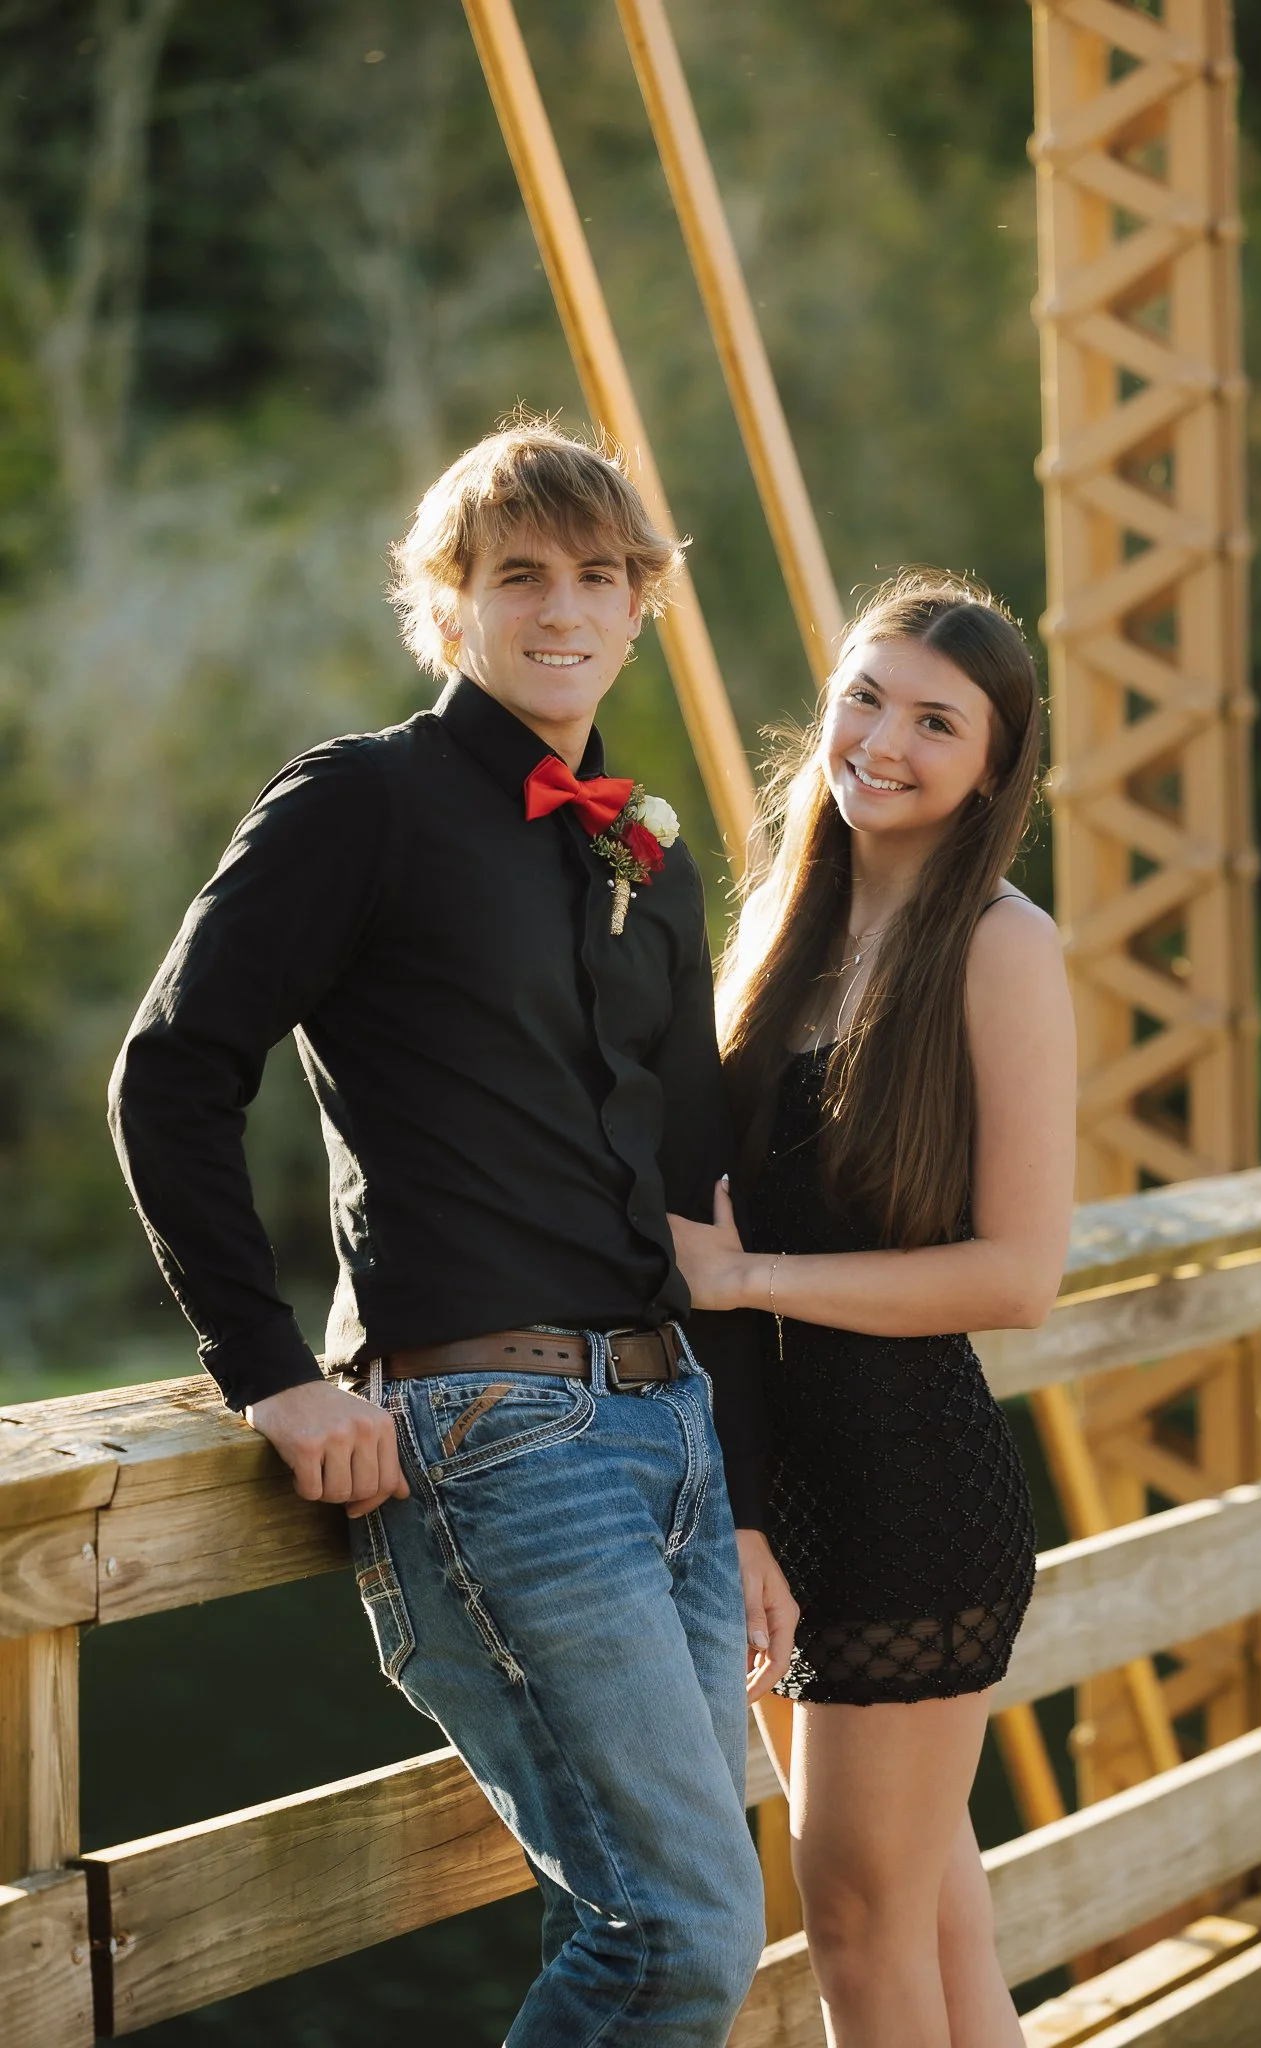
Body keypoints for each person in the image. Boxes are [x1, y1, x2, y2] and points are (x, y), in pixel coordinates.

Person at [108, 419, 798, 2046]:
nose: (563, 608)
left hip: (672, 1427)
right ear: (447, 606)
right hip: (498, 1434)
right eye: (518, 575)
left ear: (640, 606)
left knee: (674, 1919)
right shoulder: (362, 802)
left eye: (600, 576)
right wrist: (271, 1372)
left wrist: (753, 1502)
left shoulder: (646, 854)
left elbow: (697, 1194)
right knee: (682, 1934)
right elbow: (173, 1073)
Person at [667, 571, 1076, 2048]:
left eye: (935, 721)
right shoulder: (785, 930)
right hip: (774, 1489)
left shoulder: (1001, 945)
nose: (883, 741)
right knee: (937, 1934)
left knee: (855, 1922)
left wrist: (751, 1279)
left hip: (908, 1491)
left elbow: (1019, 1274)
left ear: (992, 766)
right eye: (864, 697)